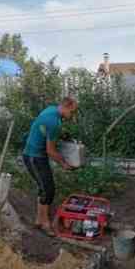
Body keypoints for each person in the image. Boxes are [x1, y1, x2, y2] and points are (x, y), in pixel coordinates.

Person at [23, 97, 78, 235]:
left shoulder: (51, 110)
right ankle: (45, 223)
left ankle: (38, 219)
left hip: (34, 154)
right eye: (72, 112)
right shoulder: (54, 122)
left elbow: (44, 130)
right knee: (48, 190)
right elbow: (51, 151)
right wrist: (64, 164)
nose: (72, 115)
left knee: (44, 188)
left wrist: (62, 136)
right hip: (34, 157)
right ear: (66, 107)